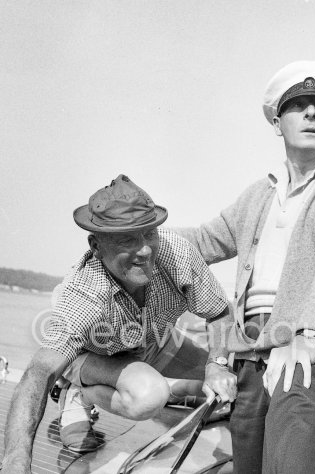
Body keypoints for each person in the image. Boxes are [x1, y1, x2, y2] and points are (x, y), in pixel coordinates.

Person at [175, 61, 315, 473]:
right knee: (249, 453)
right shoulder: (258, 195)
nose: (309, 113)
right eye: (298, 105)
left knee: (297, 392)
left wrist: (306, 335)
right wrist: (135, 235)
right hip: (253, 350)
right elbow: (200, 242)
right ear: (277, 122)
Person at [2, 174, 237, 474]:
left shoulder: (177, 253)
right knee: (149, 395)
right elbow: (40, 372)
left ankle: (176, 387)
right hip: (91, 355)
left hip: (155, 342)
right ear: (96, 246)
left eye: (149, 233)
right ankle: (78, 391)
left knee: (236, 389)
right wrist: (15, 461)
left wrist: (217, 364)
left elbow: (218, 312)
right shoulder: (84, 292)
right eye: (127, 239)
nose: (145, 251)